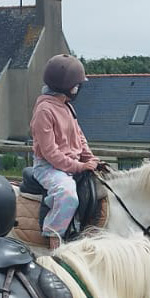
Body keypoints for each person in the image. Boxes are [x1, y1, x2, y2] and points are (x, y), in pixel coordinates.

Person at [30, 55, 99, 248]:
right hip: (49, 168)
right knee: (68, 195)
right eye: (77, 85)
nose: (78, 88)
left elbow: (80, 137)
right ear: (68, 87)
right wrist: (79, 166)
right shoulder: (44, 111)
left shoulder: (67, 107)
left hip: (70, 164)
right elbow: (50, 153)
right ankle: (54, 237)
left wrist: (91, 158)